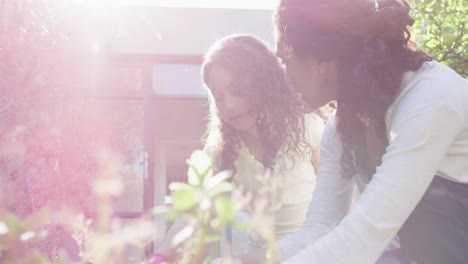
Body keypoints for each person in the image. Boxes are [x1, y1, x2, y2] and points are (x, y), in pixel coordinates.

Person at [240, 0, 468, 263]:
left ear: (320, 59)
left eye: (286, 60)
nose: (285, 78)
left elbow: (363, 238)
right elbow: (315, 234)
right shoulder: (343, 125)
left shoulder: (430, 100)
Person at [149, 34, 325, 263]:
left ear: (265, 84)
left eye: (238, 90)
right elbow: (195, 214)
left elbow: (338, 208)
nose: (229, 105)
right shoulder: (221, 150)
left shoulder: (306, 126)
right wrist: (160, 256)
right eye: (219, 97)